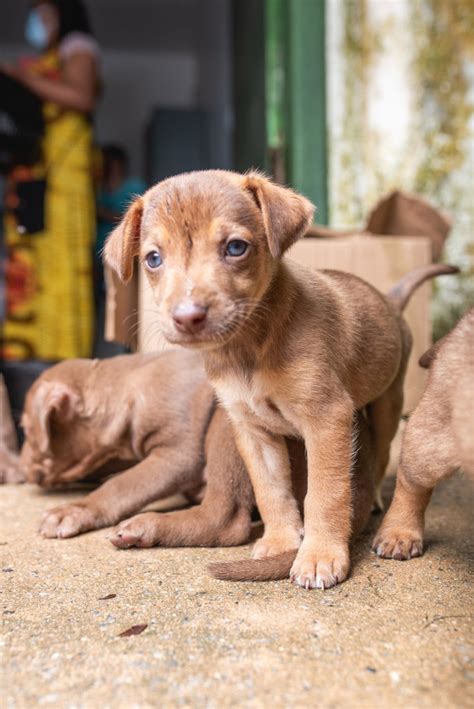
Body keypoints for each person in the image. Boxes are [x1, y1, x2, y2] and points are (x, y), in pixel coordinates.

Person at [1, 0, 100, 361]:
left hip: (63, 182)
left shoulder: (77, 47)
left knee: (60, 264)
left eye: (44, 14)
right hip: (38, 176)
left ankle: (61, 359)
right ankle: (30, 358)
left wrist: (22, 77)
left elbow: (81, 97)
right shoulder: (51, 58)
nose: (37, 22)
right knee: (34, 263)